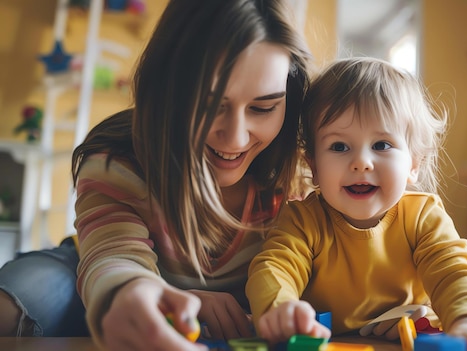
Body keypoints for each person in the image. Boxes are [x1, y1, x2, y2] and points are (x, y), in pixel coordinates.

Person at [0, 0, 311, 349]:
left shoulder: (304, 182)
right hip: (86, 262)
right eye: (208, 105)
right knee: (8, 310)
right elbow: (114, 256)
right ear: (166, 91)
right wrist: (137, 291)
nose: (236, 138)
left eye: (263, 107)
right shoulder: (119, 162)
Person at [246, 57, 467, 344]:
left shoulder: (423, 217)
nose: (361, 162)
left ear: (414, 163)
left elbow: (455, 273)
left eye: (381, 145)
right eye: (339, 146)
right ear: (313, 166)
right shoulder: (303, 220)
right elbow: (273, 268)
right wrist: (281, 309)